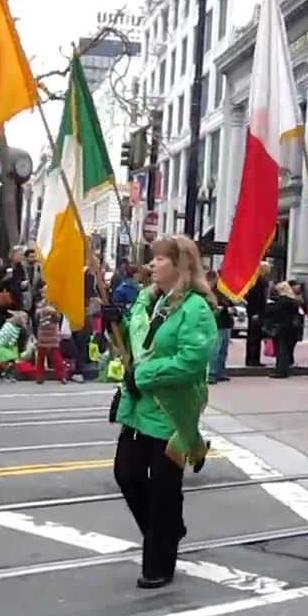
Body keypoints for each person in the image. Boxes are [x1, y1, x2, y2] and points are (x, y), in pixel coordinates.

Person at [107, 235, 214, 589]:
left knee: (164, 490)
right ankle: (168, 530)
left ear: (180, 265)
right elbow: (136, 345)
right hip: (138, 406)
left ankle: (158, 561)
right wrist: (114, 322)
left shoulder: (196, 308)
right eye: (152, 260)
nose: (152, 266)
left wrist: (144, 375)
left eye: (160, 260)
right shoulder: (146, 300)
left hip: (171, 412)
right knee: (127, 474)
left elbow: (191, 361)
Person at [266, 281, 304, 378]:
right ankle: (284, 370)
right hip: (290, 328)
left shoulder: (283, 301)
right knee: (286, 350)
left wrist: (268, 307)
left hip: (282, 327)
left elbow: (273, 311)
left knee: (281, 350)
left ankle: (280, 371)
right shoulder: (293, 300)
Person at [206, 270, 233, 383]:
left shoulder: (222, 291)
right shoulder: (208, 292)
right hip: (217, 323)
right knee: (215, 350)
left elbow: (229, 302)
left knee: (223, 350)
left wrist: (229, 306)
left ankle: (220, 371)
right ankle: (212, 373)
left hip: (226, 322)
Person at [244, 263, 270, 367]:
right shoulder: (257, 281)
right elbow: (255, 298)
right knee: (254, 337)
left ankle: (254, 359)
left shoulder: (259, 280)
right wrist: (255, 312)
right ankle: (252, 360)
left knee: (256, 336)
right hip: (255, 312)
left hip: (258, 311)